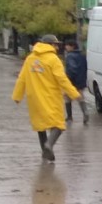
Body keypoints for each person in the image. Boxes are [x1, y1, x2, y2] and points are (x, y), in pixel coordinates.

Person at [12, 34, 81, 162]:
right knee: (59, 125)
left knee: (40, 125)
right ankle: (49, 145)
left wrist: (17, 96)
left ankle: (45, 152)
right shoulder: (53, 59)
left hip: (34, 99)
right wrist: (74, 93)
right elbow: (62, 79)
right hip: (50, 97)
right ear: (51, 45)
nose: (57, 46)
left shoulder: (30, 59)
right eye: (56, 44)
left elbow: (22, 78)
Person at [63, 39, 89, 123]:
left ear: (72, 46)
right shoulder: (82, 55)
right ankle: (85, 113)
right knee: (80, 97)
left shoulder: (70, 56)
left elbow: (71, 69)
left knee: (67, 97)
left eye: (67, 45)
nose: (65, 47)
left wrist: (68, 78)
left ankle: (69, 117)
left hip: (72, 81)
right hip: (81, 80)